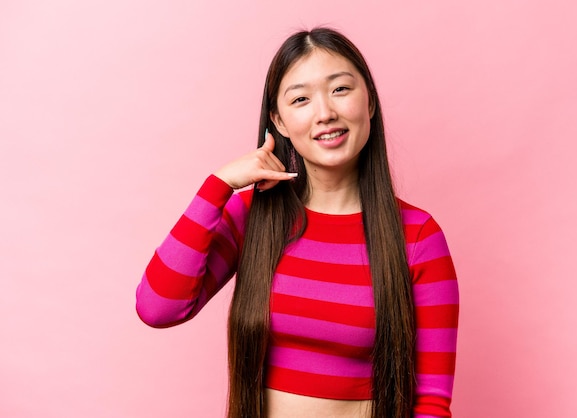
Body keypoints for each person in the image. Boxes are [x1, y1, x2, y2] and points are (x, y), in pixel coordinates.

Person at [136, 27, 459, 418]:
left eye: (340, 89)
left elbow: (431, 401)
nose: (325, 113)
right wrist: (217, 186)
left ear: (369, 102)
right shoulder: (253, 218)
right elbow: (158, 308)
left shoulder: (417, 236)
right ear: (280, 121)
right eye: (301, 99)